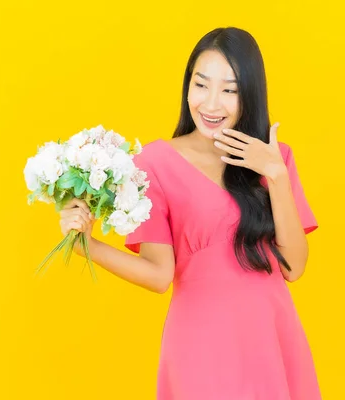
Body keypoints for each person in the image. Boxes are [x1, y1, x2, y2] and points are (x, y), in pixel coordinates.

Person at [59, 27, 321, 400]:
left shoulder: (274, 159)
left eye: (229, 90)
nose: (211, 104)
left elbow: (294, 267)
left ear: (250, 94)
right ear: (187, 87)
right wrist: (88, 246)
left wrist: (276, 174)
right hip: (201, 343)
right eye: (201, 85)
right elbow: (158, 274)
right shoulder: (154, 163)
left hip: (272, 339)